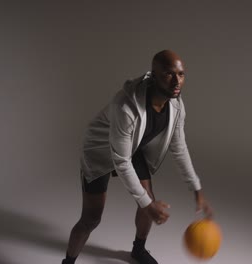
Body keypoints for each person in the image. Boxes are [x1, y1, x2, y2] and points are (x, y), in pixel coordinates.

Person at [62, 50, 213, 264]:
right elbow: (120, 161)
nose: (176, 81)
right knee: (91, 218)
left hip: (130, 149)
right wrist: (146, 204)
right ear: (153, 75)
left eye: (181, 74)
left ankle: (138, 249)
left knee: (148, 199)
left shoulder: (176, 104)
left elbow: (178, 147)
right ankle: (67, 262)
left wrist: (196, 187)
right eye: (168, 74)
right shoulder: (125, 106)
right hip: (100, 152)